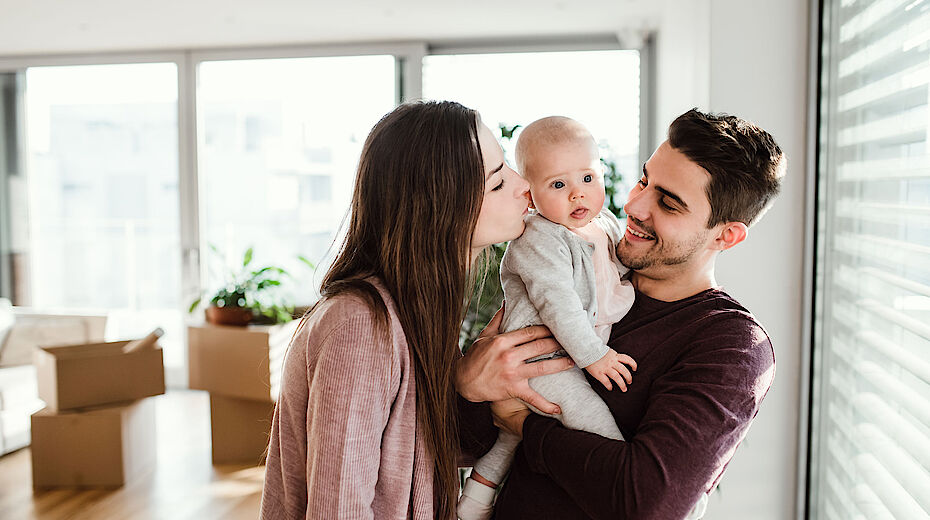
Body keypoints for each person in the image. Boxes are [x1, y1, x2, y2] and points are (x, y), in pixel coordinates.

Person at [455, 108, 785, 519]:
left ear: (726, 235)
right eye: (644, 180)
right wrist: (470, 383)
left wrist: (527, 426)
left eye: (668, 203)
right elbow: (462, 446)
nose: (634, 205)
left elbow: (645, 502)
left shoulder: (731, 347)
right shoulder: (581, 271)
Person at [259, 100, 572, 520]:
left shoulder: (417, 310)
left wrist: (469, 387)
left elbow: (426, 453)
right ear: (440, 208)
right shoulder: (359, 325)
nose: (524, 187)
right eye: (497, 183)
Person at [457, 116, 640, 520]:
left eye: (588, 178)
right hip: (540, 356)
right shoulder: (539, 237)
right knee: (592, 421)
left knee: (508, 436)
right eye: (559, 185)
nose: (579, 194)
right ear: (531, 195)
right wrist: (594, 355)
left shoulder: (603, 224)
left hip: (561, 351)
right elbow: (557, 302)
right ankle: (629, 491)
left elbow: (616, 272)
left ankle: (473, 502)